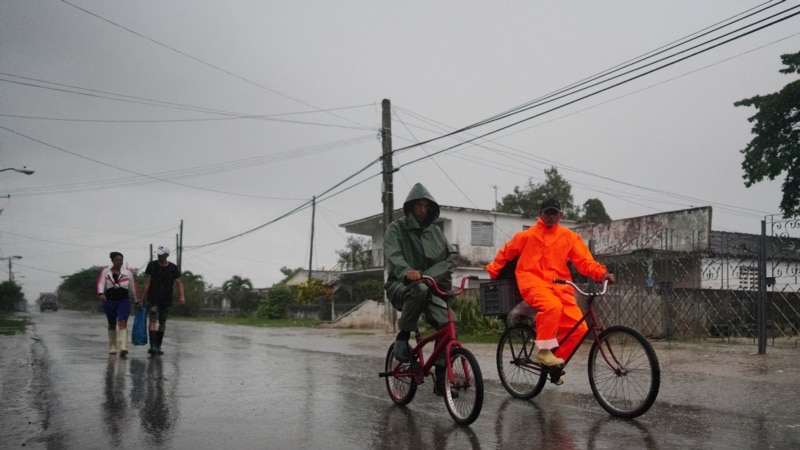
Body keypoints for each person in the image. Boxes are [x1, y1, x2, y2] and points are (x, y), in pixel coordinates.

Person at [486, 197, 615, 367]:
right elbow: (505, 253)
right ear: (540, 214)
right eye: (548, 213)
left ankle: (555, 365)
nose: (551, 217)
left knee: (579, 329)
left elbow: (584, 261)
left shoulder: (569, 237)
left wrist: (601, 273)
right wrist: (493, 274)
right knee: (552, 306)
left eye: (555, 213)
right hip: (532, 281)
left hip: (561, 286)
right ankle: (544, 351)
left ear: (560, 215)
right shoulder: (526, 236)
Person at [384, 183, 456, 395]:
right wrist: (407, 271)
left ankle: (441, 377)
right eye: (418, 205)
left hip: (429, 286)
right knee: (419, 290)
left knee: (448, 323)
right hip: (401, 285)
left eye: (426, 206)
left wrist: (428, 277)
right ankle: (403, 336)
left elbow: (450, 259)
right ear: (410, 207)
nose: (423, 210)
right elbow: (393, 254)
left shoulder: (436, 232)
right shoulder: (396, 228)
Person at [142, 245, 185, 355]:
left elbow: (179, 283)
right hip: (153, 298)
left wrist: (182, 296)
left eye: (161, 254)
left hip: (166, 298)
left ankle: (158, 346)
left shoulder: (173, 268)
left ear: (166, 255)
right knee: (152, 319)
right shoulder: (152, 265)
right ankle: (152, 346)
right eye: (158, 254)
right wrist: (143, 297)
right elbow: (148, 281)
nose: (159, 256)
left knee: (162, 321)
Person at [97, 251, 140, 356]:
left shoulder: (128, 272)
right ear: (112, 261)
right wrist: (100, 293)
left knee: (122, 321)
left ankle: (123, 347)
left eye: (121, 260)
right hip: (110, 301)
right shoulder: (105, 272)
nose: (119, 262)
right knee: (112, 324)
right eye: (117, 260)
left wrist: (137, 300)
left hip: (123, 301)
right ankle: (112, 346)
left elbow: (133, 287)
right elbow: (100, 283)